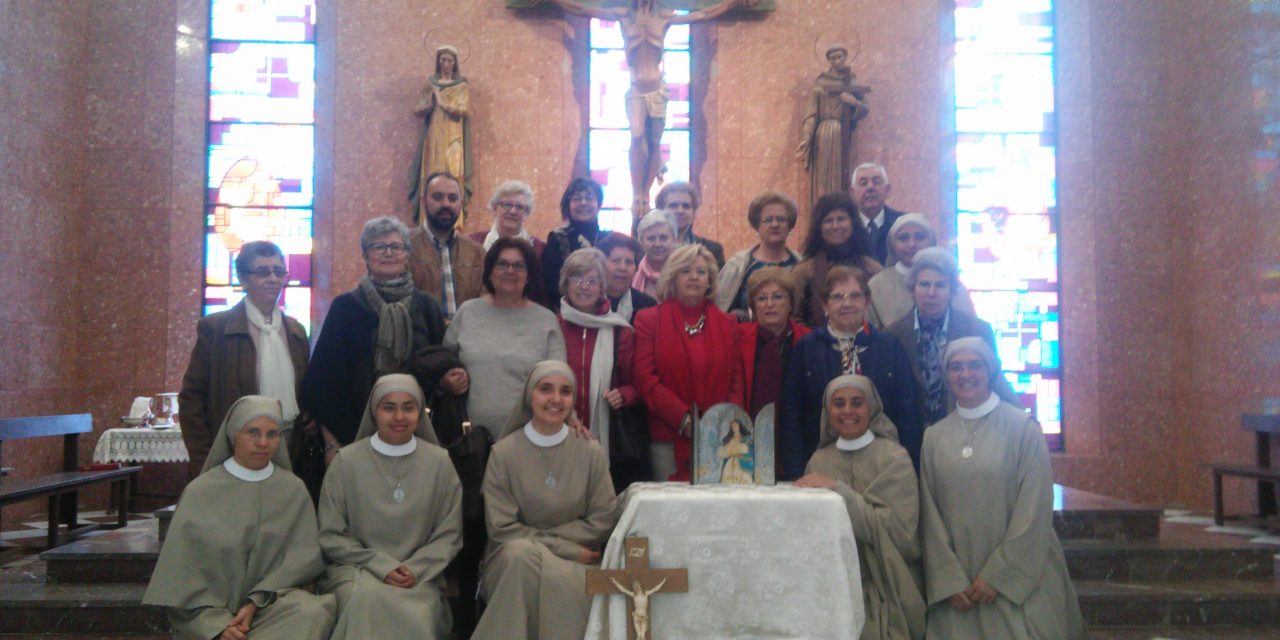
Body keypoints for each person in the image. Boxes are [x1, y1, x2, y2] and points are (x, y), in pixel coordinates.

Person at [920, 338, 1086, 639]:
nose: (965, 374)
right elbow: (929, 514)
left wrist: (999, 575)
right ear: (946, 375)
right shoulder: (934, 437)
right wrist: (947, 578)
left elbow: (1034, 509)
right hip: (958, 587)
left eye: (975, 365)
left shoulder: (1023, 429)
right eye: (956, 367)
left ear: (991, 370)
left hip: (1016, 581)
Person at [537, 0, 753, 220]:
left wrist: (733, 3)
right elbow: (582, 9)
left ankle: (645, 196)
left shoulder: (665, 17)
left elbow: (702, 14)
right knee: (637, 134)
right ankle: (637, 193)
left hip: (657, 90)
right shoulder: (623, 15)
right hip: (636, 89)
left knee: (654, 142)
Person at [143, 396, 337, 640]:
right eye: (252, 432)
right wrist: (218, 626)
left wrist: (256, 602)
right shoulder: (200, 492)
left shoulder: (293, 490)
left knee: (313, 610)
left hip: (271, 609)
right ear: (234, 434)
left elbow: (302, 564)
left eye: (273, 434)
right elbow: (181, 580)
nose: (263, 442)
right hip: (212, 618)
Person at [473, 361, 618, 640]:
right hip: (532, 557)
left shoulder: (590, 451)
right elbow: (502, 530)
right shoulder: (503, 454)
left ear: (573, 399)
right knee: (518, 555)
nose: (555, 399)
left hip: (576, 565)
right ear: (530, 395)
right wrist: (567, 548)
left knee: (524, 556)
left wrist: (540, 541)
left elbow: (603, 519)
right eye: (545, 389)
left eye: (565, 391)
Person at [318, 374, 463, 640]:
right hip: (358, 571)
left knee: (418, 612)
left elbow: (449, 534)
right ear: (374, 412)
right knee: (361, 600)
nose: (399, 417)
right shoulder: (346, 462)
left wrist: (415, 569)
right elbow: (332, 533)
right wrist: (380, 566)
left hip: (419, 574)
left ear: (420, 412)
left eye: (408, 407)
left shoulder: (439, 463)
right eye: (389, 407)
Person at [795, 375, 925, 640]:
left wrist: (837, 491)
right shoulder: (819, 461)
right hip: (833, 588)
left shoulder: (894, 458)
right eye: (838, 403)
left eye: (857, 403)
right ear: (827, 410)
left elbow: (901, 535)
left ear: (872, 408)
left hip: (888, 588)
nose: (847, 411)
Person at [302, 217, 448, 453]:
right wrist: (331, 443)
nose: (388, 253)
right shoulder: (345, 307)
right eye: (379, 247)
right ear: (366, 255)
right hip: (356, 435)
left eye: (396, 246)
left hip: (418, 432)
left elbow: (442, 368)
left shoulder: (427, 307)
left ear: (406, 254)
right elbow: (325, 380)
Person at [179, 240, 309, 479]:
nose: (272, 278)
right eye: (262, 272)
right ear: (243, 278)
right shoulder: (216, 329)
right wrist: (204, 457)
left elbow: (306, 393)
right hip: (230, 455)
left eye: (278, 271)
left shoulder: (296, 331)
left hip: (288, 449)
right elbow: (192, 398)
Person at [779, 265, 923, 479]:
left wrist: (907, 464)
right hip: (820, 461)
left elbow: (907, 409)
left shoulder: (889, 346)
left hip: (881, 465)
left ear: (867, 301)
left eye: (855, 296)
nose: (847, 303)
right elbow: (792, 413)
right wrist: (797, 471)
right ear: (825, 304)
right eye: (838, 297)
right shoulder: (807, 348)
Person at [633, 244, 745, 481]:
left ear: (710, 280)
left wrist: (722, 422)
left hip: (719, 436)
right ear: (673, 277)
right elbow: (645, 377)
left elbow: (736, 379)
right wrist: (684, 420)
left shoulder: (728, 324)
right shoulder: (649, 319)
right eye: (686, 271)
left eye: (701, 272)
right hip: (668, 434)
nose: (694, 277)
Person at [444, 238, 566, 438]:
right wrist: (446, 379)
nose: (510, 271)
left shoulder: (546, 320)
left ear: (529, 276)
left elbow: (558, 381)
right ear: (490, 271)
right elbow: (444, 363)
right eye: (501, 264)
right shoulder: (468, 311)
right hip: (470, 441)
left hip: (527, 440)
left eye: (519, 266)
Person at [884, 247, 1018, 426]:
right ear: (912, 288)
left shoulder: (977, 330)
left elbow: (993, 382)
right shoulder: (893, 335)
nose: (931, 292)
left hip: (967, 429)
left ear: (952, 291)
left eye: (940, 285)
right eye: (924, 284)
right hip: (910, 435)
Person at [557, 248, 647, 489]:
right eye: (576, 278)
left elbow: (638, 384)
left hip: (608, 438)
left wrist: (625, 394)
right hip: (557, 428)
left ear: (602, 287)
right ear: (566, 283)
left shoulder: (620, 330)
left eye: (592, 280)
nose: (584, 286)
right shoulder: (552, 326)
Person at [867, 214, 974, 328]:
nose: (912, 244)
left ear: (932, 241)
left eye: (920, 237)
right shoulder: (876, 285)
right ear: (892, 244)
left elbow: (969, 329)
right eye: (903, 238)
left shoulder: (951, 283)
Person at [793, 191, 883, 326]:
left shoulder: (872, 268)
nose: (835, 226)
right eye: (828, 221)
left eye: (841, 219)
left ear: (853, 224)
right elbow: (795, 317)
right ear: (819, 228)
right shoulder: (804, 270)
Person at [797, 45, 870, 206]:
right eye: (833, 57)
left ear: (846, 57)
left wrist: (854, 102)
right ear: (828, 60)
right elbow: (812, 115)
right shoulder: (821, 83)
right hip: (823, 135)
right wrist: (806, 138)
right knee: (823, 179)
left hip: (843, 134)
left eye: (840, 56)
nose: (837, 60)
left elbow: (865, 109)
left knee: (842, 177)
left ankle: (842, 212)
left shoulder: (852, 81)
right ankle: (822, 215)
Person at [408, 171, 485, 319]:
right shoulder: (404, 247)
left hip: (465, 338)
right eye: (437, 197)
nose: (446, 204)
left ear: (461, 204)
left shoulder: (477, 253)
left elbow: (485, 303)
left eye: (453, 198)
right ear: (423, 202)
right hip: (421, 338)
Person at [736, 267, 810, 419]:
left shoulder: (808, 340)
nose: (770, 304)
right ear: (753, 306)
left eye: (777, 297)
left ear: (791, 303)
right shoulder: (737, 337)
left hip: (796, 427)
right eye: (762, 298)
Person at [716, 189, 803, 318]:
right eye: (767, 220)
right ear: (757, 226)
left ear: (790, 225)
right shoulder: (738, 265)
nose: (774, 224)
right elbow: (720, 310)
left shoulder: (801, 265)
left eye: (781, 219)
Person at [411, 46, 471, 225]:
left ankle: (455, 222)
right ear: (438, 62)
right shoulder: (430, 84)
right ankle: (426, 221)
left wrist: (443, 101)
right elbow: (418, 109)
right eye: (443, 60)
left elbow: (463, 109)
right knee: (432, 175)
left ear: (455, 62)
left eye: (450, 60)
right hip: (434, 136)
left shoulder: (461, 86)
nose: (446, 64)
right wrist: (430, 102)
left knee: (453, 172)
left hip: (453, 137)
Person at [542, 178, 614, 311]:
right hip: (566, 311)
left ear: (598, 203)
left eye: (589, 198)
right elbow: (551, 282)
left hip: (606, 310)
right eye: (577, 199)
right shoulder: (557, 238)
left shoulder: (610, 239)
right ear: (567, 205)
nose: (583, 203)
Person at [467, 179, 546, 257]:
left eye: (519, 207)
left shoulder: (540, 250)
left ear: (526, 214)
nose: (513, 211)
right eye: (507, 205)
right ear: (494, 209)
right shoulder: (471, 243)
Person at [656, 181, 726, 267]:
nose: (680, 211)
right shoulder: (649, 248)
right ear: (660, 211)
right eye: (673, 206)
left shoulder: (713, 250)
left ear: (694, 212)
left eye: (686, 206)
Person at [850, 162, 904, 266]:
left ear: (887, 190)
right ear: (852, 192)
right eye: (863, 183)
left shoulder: (902, 224)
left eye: (877, 182)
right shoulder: (845, 227)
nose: (870, 187)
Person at [597, 233, 658, 323]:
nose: (622, 268)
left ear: (636, 268)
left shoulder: (647, 305)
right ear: (601, 265)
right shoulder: (590, 301)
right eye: (616, 261)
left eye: (629, 262)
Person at [631, 209, 678, 298]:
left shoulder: (684, 271)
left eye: (663, 238)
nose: (657, 244)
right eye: (651, 238)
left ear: (674, 240)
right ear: (641, 242)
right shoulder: (632, 271)